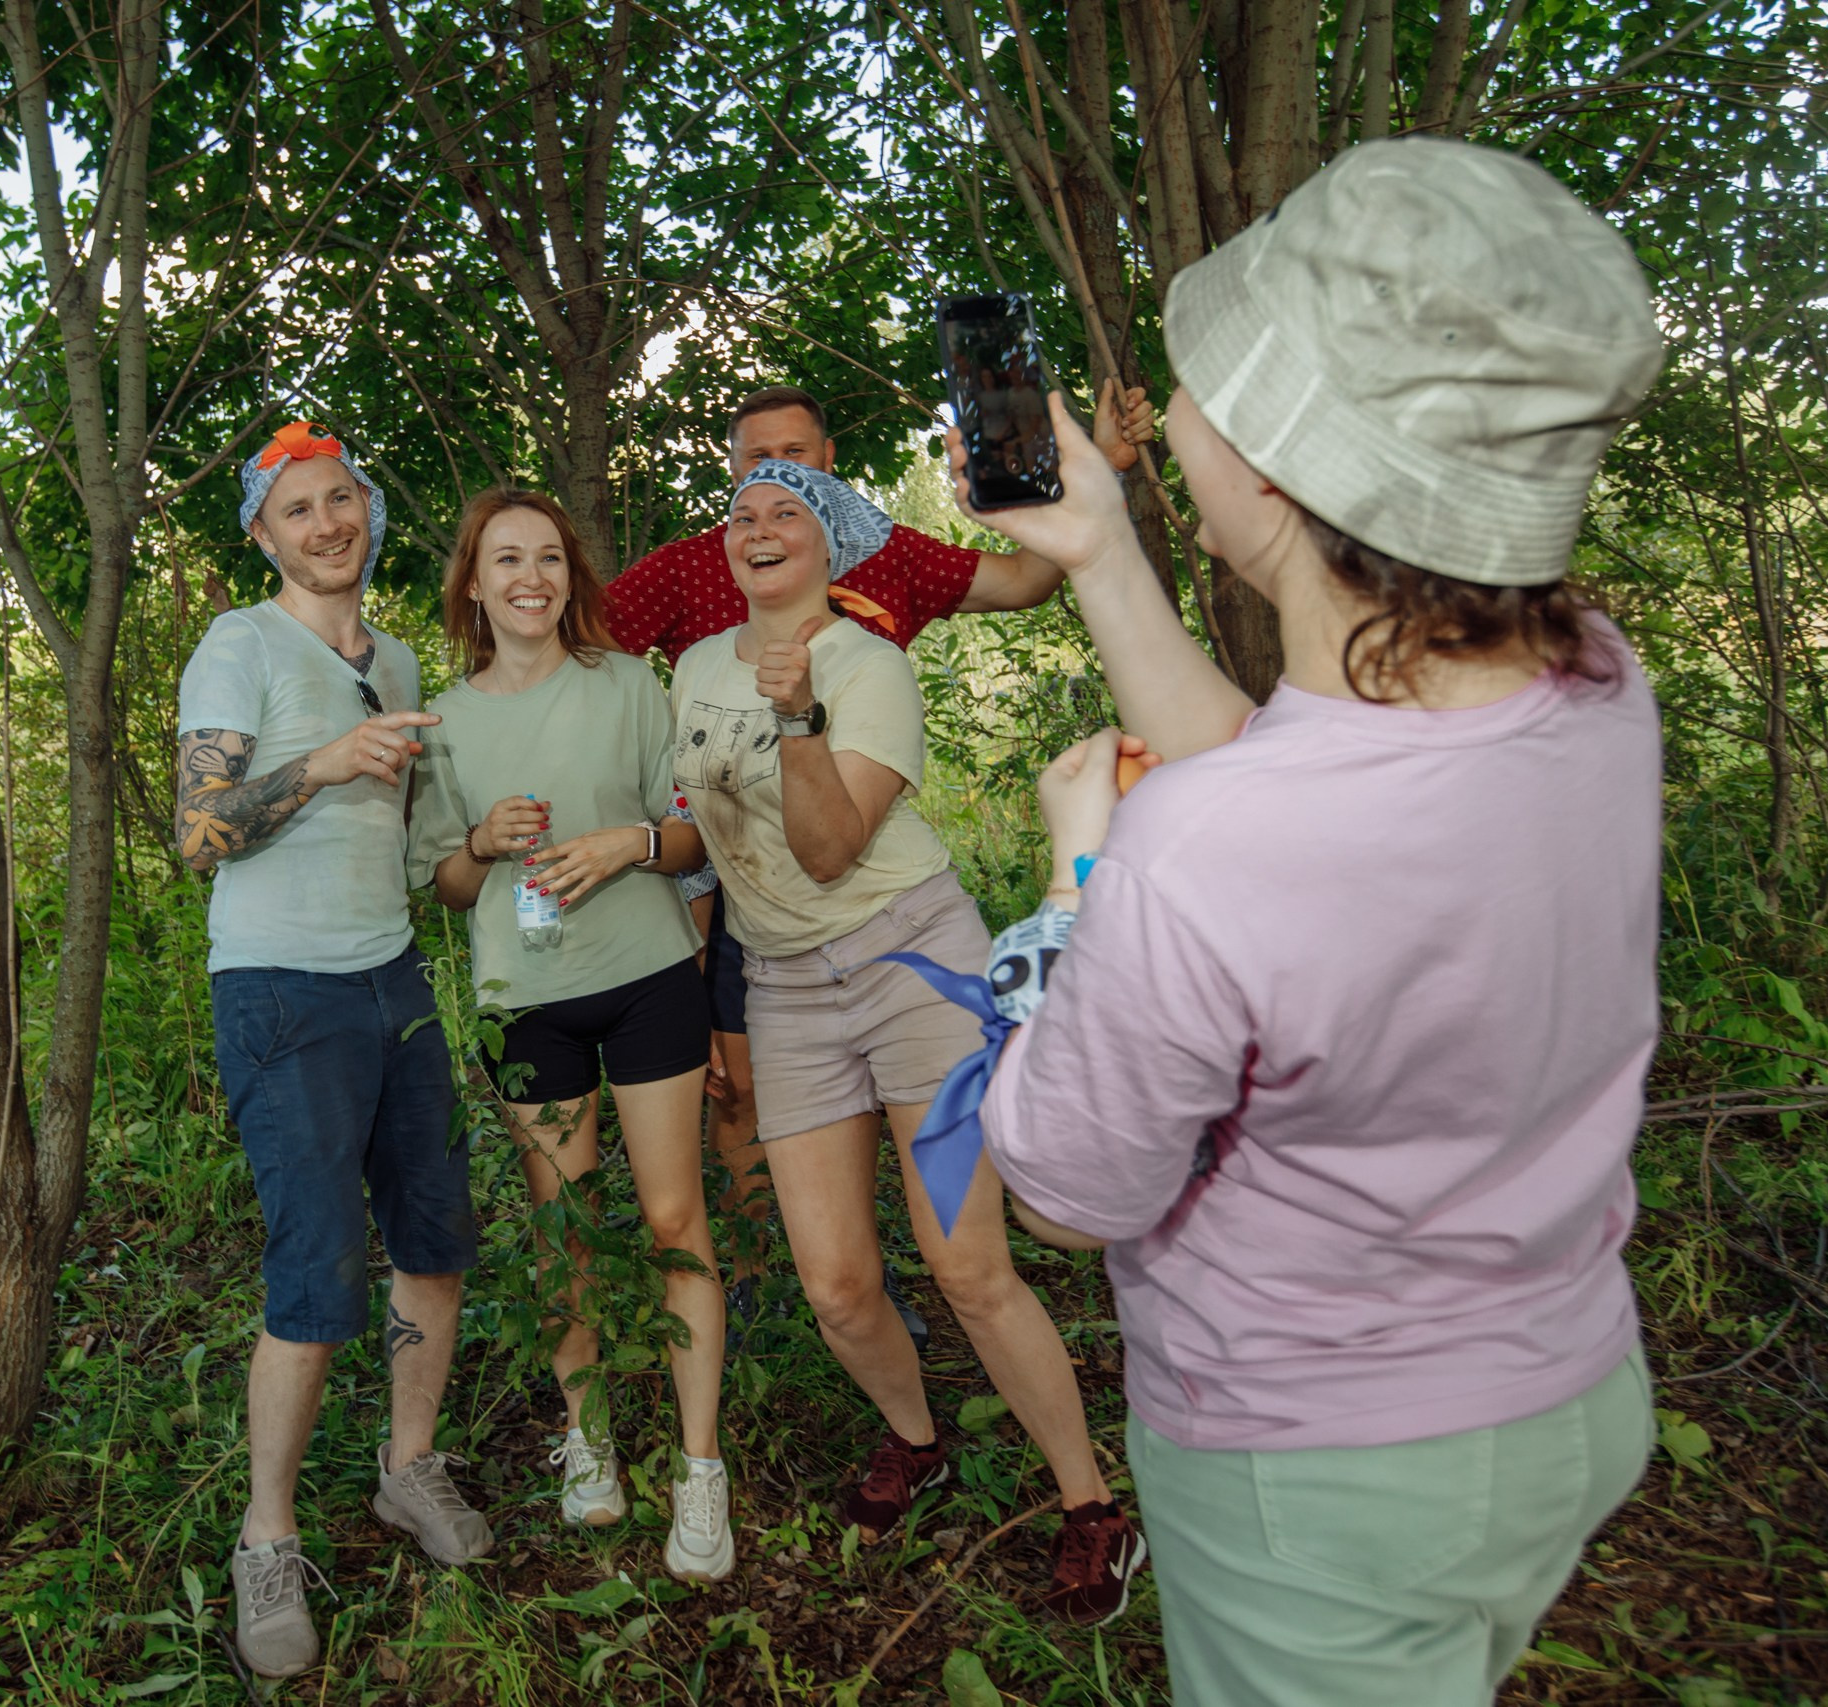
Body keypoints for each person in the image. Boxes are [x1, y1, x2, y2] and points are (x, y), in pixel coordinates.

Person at [965, 138, 1668, 1706]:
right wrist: (1098, 553)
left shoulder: (1200, 849)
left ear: (1268, 463)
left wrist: (1077, 889)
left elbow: (1071, 1191)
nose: (1171, 407)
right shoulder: (1599, 688)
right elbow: (1298, 800)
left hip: (1323, 1476)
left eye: (1198, 384)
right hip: (1563, 1393)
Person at [667, 457, 1142, 1620]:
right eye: (742, 513)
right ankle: (915, 1439)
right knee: (835, 1285)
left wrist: (795, 718)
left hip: (909, 959)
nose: (759, 526)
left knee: (968, 1266)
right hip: (781, 986)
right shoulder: (685, 669)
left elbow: (828, 849)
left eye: (788, 513)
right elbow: (704, 835)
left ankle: (1092, 1507)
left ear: (829, 545)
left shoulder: (867, 665)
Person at [605, 383, 1154, 1340]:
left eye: (798, 459)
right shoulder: (695, 566)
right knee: (734, 1091)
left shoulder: (887, 554)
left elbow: (1025, 580)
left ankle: (929, 1274)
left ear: (831, 464)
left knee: (923, 1136)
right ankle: (777, 1291)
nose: (772, 483)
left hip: (866, 869)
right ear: (728, 475)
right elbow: (586, 658)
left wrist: (1096, 468)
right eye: (750, 463)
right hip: (729, 872)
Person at [175, 420, 491, 1682]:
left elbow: (408, 842)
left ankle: (408, 1472)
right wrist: (320, 763)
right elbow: (199, 835)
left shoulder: (399, 653)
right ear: (263, 533)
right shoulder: (239, 643)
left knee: (435, 1239)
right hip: (280, 991)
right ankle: (267, 1538)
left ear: (367, 508)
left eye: (342, 498)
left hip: (390, 980)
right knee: (315, 1273)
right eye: (299, 508)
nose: (328, 523)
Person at [406, 488, 735, 1582]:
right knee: (565, 1230)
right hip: (526, 996)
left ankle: (699, 1472)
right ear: (473, 583)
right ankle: (590, 1443)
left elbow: (690, 839)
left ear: (569, 576)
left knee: (672, 1214)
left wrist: (627, 846)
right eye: (506, 560)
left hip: (645, 976)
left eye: (548, 558)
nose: (530, 578)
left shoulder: (628, 684)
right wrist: (479, 842)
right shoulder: (446, 721)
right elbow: (448, 888)